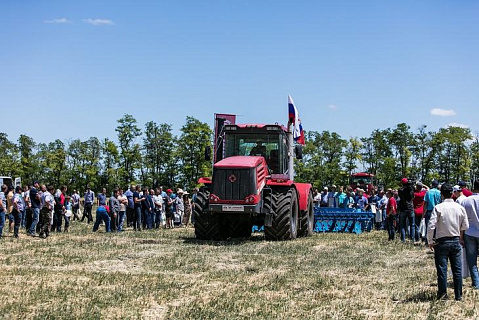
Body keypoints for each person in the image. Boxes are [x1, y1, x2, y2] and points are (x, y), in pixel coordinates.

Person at [427, 183, 469, 301]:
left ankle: (443, 295)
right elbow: (466, 225)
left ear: (442, 194)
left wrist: (430, 240)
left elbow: (431, 226)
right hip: (456, 240)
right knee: (457, 269)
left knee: (442, 269)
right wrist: (460, 236)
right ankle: (458, 295)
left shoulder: (438, 207)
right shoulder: (460, 207)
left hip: (442, 241)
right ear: (452, 193)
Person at [462, 180, 479, 289]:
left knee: (471, 259)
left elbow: (462, 220)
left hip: (470, 232)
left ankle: (476, 283)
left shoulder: (466, 201)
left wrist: (460, 236)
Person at [423, 179, 442, 245]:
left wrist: (423, 213)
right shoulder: (439, 193)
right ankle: (436, 240)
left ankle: (427, 241)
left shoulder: (428, 192)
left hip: (429, 211)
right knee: (437, 226)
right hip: (438, 210)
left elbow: (425, 203)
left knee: (428, 226)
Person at [398, 178, 415, 243]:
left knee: (402, 225)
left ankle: (403, 239)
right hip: (410, 208)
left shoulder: (400, 190)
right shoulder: (411, 189)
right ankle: (412, 239)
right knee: (412, 225)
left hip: (403, 209)